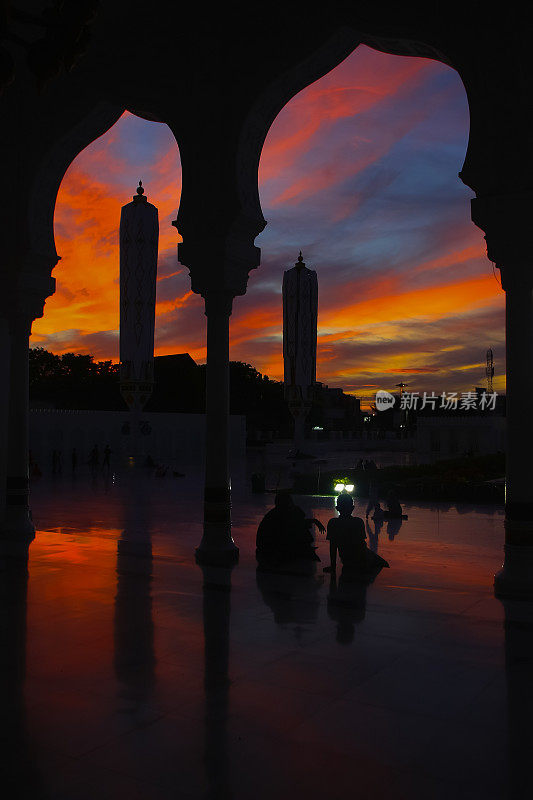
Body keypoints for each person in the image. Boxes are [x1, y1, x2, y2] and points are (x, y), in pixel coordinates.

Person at [325, 493, 389, 576]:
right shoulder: (358, 522)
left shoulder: (332, 523)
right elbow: (361, 545)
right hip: (361, 558)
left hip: (346, 559)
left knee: (379, 562)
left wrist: (333, 566)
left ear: (337, 508)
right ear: (352, 508)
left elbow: (333, 546)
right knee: (382, 563)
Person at [256, 491, 325, 567]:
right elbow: (292, 526)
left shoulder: (279, 514)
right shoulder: (278, 516)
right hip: (271, 550)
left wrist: (314, 521)